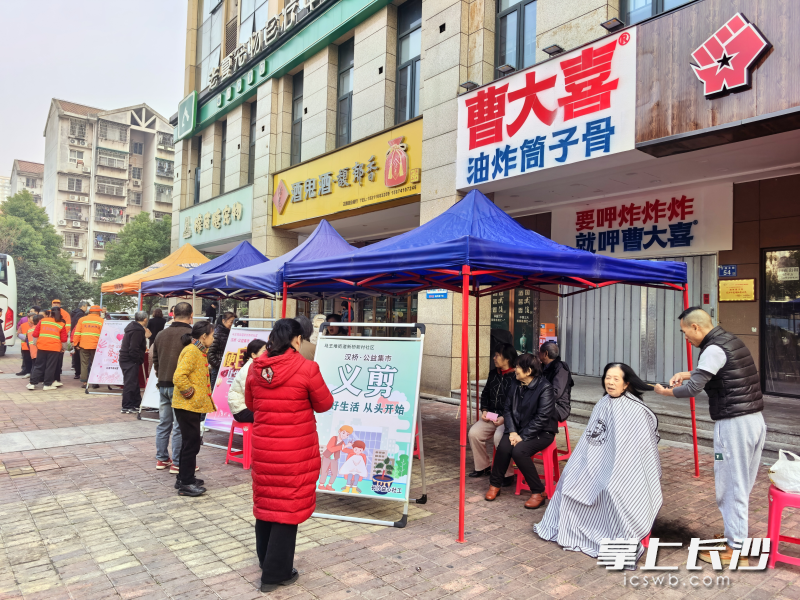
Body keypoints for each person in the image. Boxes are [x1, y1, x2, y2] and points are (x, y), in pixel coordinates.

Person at [654, 307, 765, 567]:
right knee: (741, 484)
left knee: (731, 486)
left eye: (685, 332)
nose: (686, 338)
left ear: (696, 327)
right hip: (754, 420)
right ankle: (734, 536)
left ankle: (736, 548)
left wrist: (664, 392)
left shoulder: (713, 349)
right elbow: (719, 371)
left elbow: (693, 389)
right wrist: (687, 373)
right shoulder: (729, 340)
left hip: (734, 425)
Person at [535, 363, 662, 565]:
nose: (610, 382)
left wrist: (614, 470)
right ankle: (572, 528)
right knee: (569, 481)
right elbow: (591, 440)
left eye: (616, 379)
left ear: (626, 383)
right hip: (597, 461)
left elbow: (638, 450)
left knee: (611, 490)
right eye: (607, 378)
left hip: (625, 468)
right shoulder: (603, 403)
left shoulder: (636, 410)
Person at [245, 318, 334, 592]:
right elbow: (324, 403)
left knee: (267, 503)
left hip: (265, 450)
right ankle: (275, 574)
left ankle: (266, 561)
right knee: (287, 508)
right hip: (295, 452)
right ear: (296, 340)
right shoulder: (307, 368)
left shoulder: (256, 368)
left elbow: (251, 404)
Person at [484, 353, 556, 509]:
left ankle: (538, 492)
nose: (515, 369)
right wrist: (512, 432)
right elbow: (507, 409)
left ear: (528, 371)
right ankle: (494, 485)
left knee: (519, 451)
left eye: (517, 367)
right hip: (517, 429)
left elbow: (542, 418)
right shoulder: (515, 383)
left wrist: (522, 436)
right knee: (503, 447)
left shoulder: (545, 388)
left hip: (541, 432)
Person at [172, 321, 216, 496]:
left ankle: (184, 477)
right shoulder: (192, 351)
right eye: (212, 335)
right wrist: (190, 393)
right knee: (191, 443)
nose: (213, 339)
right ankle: (186, 483)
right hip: (187, 405)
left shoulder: (198, 351)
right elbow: (179, 376)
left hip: (191, 405)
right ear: (204, 336)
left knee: (189, 442)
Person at [468, 343, 517, 482]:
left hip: (508, 418)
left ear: (507, 358)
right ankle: (483, 466)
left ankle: (507, 474)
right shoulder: (493, 373)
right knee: (474, 433)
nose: (494, 358)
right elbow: (485, 394)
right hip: (492, 415)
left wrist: (505, 418)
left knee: (500, 438)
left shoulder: (516, 376)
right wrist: (484, 410)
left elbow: (518, 403)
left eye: (497, 355)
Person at [152, 301, 192, 473]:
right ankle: (177, 462)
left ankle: (161, 459)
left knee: (164, 423)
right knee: (179, 426)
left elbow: (154, 358)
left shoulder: (161, 334)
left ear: (173, 314)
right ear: (191, 316)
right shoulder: (191, 335)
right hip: (182, 386)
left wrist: (160, 374)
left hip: (163, 383)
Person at [226, 338, 267, 423]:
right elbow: (249, 395)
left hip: (249, 406)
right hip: (241, 411)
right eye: (264, 351)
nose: (267, 353)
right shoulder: (248, 369)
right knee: (270, 416)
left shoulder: (259, 366)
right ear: (254, 355)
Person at [28, 308, 68, 391]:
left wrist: (36, 344)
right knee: (50, 366)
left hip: (42, 346)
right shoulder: (61, 324)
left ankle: (32, 383)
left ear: (50, 314)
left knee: (38, 365)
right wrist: (64, 348)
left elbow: (35, 334)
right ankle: (47, 384)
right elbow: (64, 339)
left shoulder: (43, 321)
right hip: (54, 348)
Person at [119, 311, 148, 414]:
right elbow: (134, 348)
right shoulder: (138, 330)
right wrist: (137, 359)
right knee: (130, 382)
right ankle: (127, 406)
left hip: (126, 358)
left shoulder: (133, 327)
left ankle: (136, 403)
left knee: (133, 382)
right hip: (130, 359)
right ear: (145, 319)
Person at [539, 341, 574, 422]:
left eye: (540, 352)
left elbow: (556, 393)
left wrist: (537, 396)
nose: (538, 354)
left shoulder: (561, 369)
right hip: (544, 402)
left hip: (559, 406)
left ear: (545, 353)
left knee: (534, 411)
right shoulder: (543, 367)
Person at [72, 305, 104, 387]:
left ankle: (84, 382)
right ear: (99, 312)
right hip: (96, 346)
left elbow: (77, 332)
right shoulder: (102, 321)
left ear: (89, 311)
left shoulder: (82, 319)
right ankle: (95, 382)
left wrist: (76, 344)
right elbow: (104, 335)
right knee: (95, 363)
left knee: (84, 363)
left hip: (84, 345)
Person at [208, 311, 235, 388]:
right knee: (216, 389)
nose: (232, 324)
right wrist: (219, 365)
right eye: (231, 321)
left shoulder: (230, 332)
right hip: (218, 368)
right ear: (223, 321)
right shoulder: (217, 333)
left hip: (227, 367)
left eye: (234, 322)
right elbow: (210, 353)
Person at [15, 307, 40, 377]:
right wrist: (25, 338)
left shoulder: (38, 325)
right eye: (31, 317)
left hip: (35, 347)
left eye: (34, 317)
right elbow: (18, 333)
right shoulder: (23, 325)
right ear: (28, 318)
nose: (33, 319)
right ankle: (28, 372)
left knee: (35, 361)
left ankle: (33, 373)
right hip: (25, 346)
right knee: (27, 360)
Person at [70, 301, 88, 380]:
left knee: (76, 356)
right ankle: (82, 374)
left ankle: (77, 373)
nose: (86, 308)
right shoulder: (80, 314)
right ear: (83, 306)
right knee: (82, 358)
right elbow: (79, 327)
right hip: (79, 336)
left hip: (74, 335)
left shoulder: (73, 313)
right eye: (86, 306)